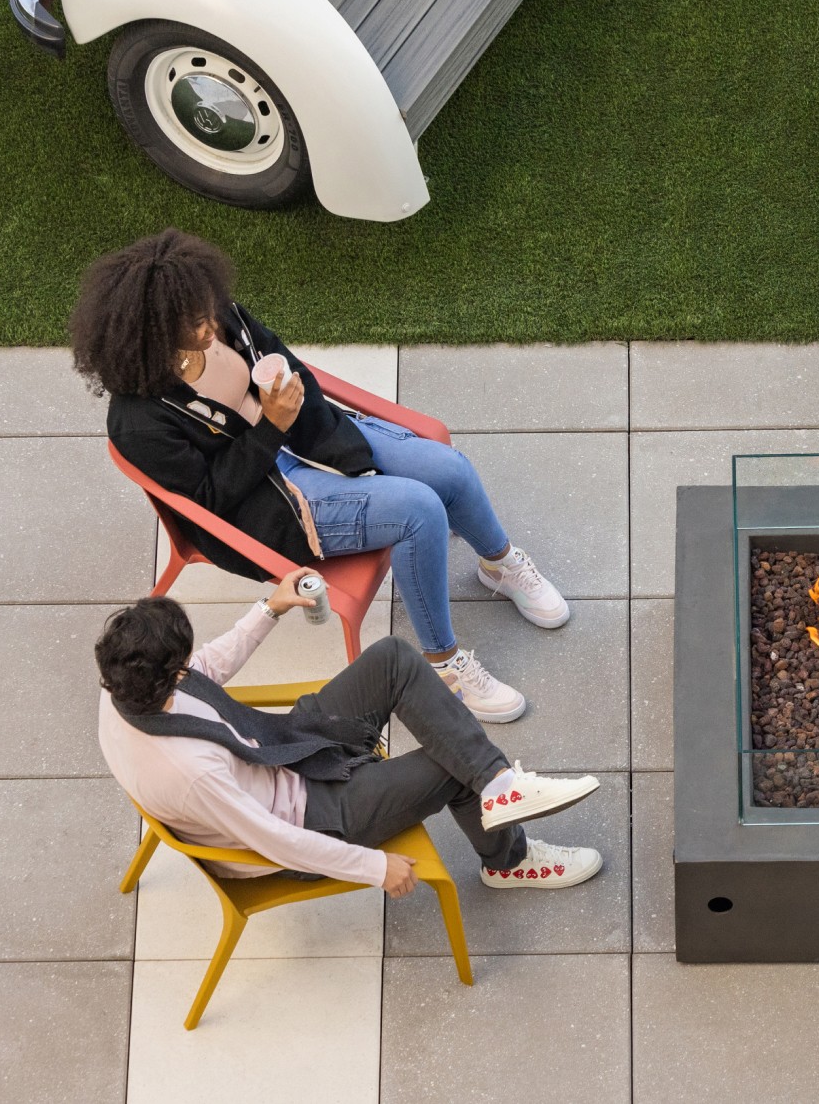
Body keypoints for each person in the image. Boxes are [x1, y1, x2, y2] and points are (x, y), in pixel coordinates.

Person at [74, 229, 570, 724]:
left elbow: (285, 363)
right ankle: (443, 666)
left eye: (208, 309)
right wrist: (271, 427)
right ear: (150, 331)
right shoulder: (140, 419)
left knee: (449, 469)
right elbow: (209, 500)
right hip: (267, 505)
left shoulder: (223, 318)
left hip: (305, 434)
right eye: (192, 323)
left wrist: (301, 420)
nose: (210, 326)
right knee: (419, 511)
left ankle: (499, 565)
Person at [96, 580, 605, 891]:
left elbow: (204, 669)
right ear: (168, 677)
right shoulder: (191, 773)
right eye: (183, 664)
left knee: (393, 658)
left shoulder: (122, 687)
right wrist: (373, 867)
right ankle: (509, 862)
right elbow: (274, 840)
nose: (192, 665)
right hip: (312, 818)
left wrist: (268, 609)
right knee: (451, 763)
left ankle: (497, 787)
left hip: (282, 750)